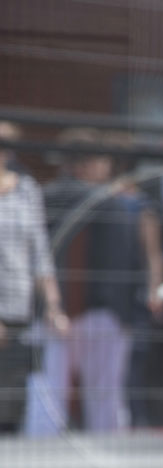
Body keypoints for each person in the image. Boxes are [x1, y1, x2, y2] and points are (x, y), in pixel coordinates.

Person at [27, 128, 145, 436]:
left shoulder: (40, 197)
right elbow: (128, 262)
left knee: (46, 401)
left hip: (49, 314)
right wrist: (127, 315)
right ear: (89, 163)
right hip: (102, 315)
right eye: (103, 161)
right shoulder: (110, 203)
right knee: (104, 401)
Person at [0, 121, 68, 433]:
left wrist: (53, 308)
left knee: (11, 405)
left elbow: (40, 254)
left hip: (20, 313)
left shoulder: (27, 190)